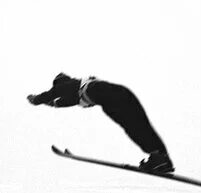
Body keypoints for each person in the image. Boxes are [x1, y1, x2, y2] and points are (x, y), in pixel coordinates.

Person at [28, 73, 174, 173]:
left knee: (133, 127)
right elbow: (60, 102)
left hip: (108, 96)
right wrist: (48, 103)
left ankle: (159, 157)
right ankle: (161, 158)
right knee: (138, 126)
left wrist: (36, 100)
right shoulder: (76, 90)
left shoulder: (67, 85)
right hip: (123, 94)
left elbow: (53, 95)